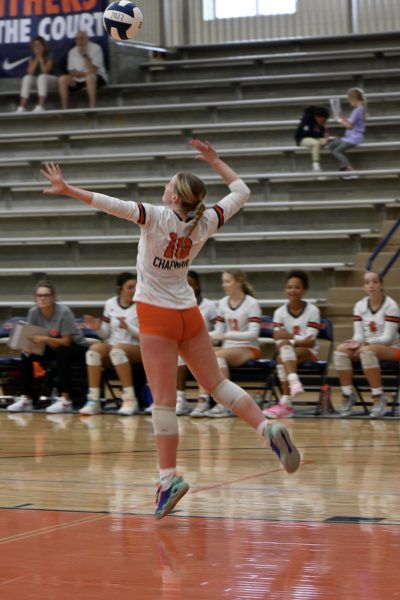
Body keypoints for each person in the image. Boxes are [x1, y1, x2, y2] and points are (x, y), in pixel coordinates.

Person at [40, 139, 301, 520]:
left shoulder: (156, 216)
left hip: (156, 317)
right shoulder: (206, 219)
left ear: (176, 198)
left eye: (168, 186)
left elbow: (107, 203)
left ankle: (168, 479)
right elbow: (242, 191)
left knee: (163, 404)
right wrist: (215, 160)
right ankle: (265, 428)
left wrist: (67, 189)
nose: (163, 189)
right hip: (188, 313)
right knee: (216, 385)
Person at [7, 280, 88, 413]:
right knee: (27, 355)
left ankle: (65, 400)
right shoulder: (33, 312)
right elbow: (32, 337)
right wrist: (27, 346)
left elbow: (67, 341)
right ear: (35, 298)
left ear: (53, 297)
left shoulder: (64, 312)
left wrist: (45, 338)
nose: (43, 298)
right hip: (52, 347)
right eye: (40, 295)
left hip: (76, 347)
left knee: (63, 351)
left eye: (46, 295)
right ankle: (26, 399)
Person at [333, 270, 400, 418]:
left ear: (381, 285)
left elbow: (388, 338)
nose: (371, 285)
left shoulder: (391, 306)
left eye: (375, 282)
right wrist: (355, 342)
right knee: (340, 351)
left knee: (367, 351)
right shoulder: (359, 306)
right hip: (367, 346)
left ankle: (378, 397)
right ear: (363, 287)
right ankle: (348, 395)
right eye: (367, 282)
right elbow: (359, 334)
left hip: (393, 349)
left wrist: (365, 344)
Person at [197, 269, 262, 418]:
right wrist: (201, 336)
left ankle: (225, 404)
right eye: (223, 281)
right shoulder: (222, 303)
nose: (224, 285)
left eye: (227, 281)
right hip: (229, 347)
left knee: (217, 357)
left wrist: (226, 335)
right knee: (202, 356)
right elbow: (218, 331)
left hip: (249, 347)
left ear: (239, 282)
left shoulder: (252, 303)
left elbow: (253, 333)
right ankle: (203, 400)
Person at [79, 272, 142, 417]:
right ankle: (94, 400)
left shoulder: (142, 305)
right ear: (120, 289)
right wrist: (97, 327)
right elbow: (105, 335)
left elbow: (146, 335)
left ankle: (130, 399)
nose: (133, 290)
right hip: (114, 346)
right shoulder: (110, 304)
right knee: (93, 351)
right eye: (130, 287)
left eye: (136, 287)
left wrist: (128, 327)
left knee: (117, 350)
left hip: (137, 347)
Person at [264, 271, 321, 419]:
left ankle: (286, 402)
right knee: (283, 352)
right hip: (287, 351)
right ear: (285, 290)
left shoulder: (313, 310)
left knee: (282, 353)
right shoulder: (279, 312)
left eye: (297, 287)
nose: (293, 290)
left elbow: (311, 341)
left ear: (304, 290)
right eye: (289, 287)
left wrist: (289, 339)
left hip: (309, 352)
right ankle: (293, 383)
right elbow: (276, 337)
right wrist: (294, 340)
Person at [176, 270, 217, 416]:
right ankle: (180, 399)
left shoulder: (209, 306)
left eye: (190, 284)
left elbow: (218, 330)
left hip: (208, 345)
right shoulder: (178, 306)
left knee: (197, 354)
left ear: (198, 286)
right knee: (178, 355)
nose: (187, 287)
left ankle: (203, 398)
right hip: (187, 347)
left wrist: (206, 337)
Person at [58, 31, 108, 110]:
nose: (79, 41)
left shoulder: (96, 48)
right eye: (77, 39)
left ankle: (92, 107)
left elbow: (93, 69)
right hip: (79, 78)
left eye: (82, 39)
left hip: (97, 77)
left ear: (87, 39)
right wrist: (84, 74)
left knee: (90, 77)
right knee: (62, 79)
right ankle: (65, 108)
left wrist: (85, 55)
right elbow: (71, 71)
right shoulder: (72, 51)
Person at [327, 87, 366, 176]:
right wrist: (341, 117)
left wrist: (339, 120)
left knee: (336, 151)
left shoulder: (358, 110)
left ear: (354, 99)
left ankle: (350, 170)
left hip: (354, 138)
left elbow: (349, 125)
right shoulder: (358, 110)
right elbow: (350, 121)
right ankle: (343, 166)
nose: (349, 102)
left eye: (349, 100)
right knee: (331, 145)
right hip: (350, 137)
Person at [16, 36, 57, 113]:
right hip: (40, 82)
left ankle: (41, 106)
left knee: (42, 77)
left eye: (39, 45)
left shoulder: (50, 54)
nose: (37, 47)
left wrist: (41, 59)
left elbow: (46, 71)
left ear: (43, 46)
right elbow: (29, 72)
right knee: (27, 78)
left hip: (53, 81)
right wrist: (36, 59)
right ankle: (22, 106)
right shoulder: (32, 57)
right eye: (35, 46)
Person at [294, 106, 330, 172]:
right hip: (302, 138)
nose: (323, 122)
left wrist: (325, 137)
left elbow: (319, 134)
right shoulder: (306, 120)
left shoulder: (320, 123)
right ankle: (316, 166)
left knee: (328, 141)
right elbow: (306, 133)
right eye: (322, 120)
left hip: (314, 138)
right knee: (316, 143)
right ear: (317, 117)